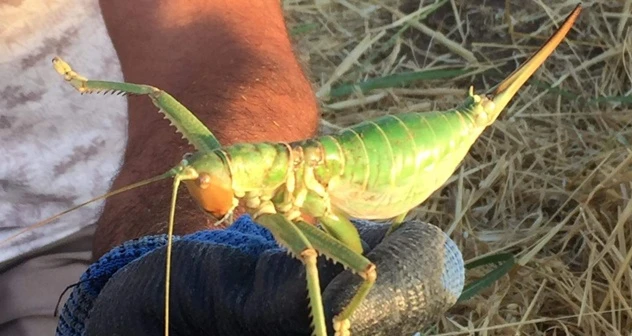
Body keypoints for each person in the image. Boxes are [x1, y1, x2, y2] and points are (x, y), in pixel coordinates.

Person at [0, 1, 464, 335]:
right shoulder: (253, 183)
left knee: (344, 267)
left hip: (67, 245)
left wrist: (176, 252)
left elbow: (213, 34)